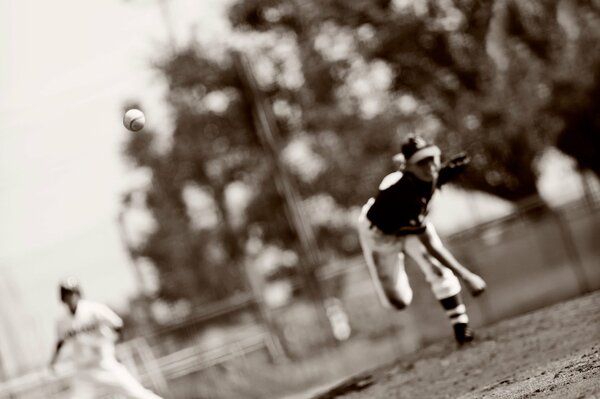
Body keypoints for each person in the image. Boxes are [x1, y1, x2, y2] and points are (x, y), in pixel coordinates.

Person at [357, 135, 487, 345]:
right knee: (399, 301)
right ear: (407, 167)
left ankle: (461, 328)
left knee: (437, 268)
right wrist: (467, 275)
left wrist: (446, 171)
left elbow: (432, 177)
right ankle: (458, 318)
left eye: (431, 158)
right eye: (421, 162)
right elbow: (432, 245)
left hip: (408, 228)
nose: (429, 166)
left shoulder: (427, 176)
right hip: (380, 236)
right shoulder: (404, 195)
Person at [49, 277, 163, 398]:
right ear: (62, 299)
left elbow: (117, 325)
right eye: (66, 295)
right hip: (83, 370)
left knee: (137, 394)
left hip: (104, 363)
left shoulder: (93, 310)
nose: (70, 298)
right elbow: (60, 343)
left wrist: (111, 342)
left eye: (72, 293)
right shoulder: (62, 323)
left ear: (78, 294)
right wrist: (53, 362)